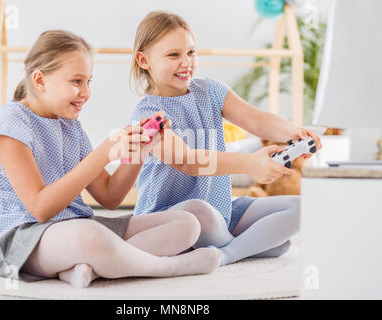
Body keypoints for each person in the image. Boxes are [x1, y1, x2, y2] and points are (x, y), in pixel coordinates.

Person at [0, 30, 220, 288]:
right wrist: (103, 153)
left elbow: (110, 197)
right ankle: (169, 267)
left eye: (89, 81)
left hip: (74, 228)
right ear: (40, 80)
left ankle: (91, 269)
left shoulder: (69, 126)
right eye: (76, 81)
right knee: (91, 235)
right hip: (18, 241)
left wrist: (140, 149)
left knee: (187, 223)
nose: (86, 93)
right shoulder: (7, 125)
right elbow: (40, 208)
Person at [129, 11, 323, 266]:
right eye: (173, 55)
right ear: (144, 60)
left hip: (222, 212)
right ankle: (248, 245)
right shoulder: (146, 116)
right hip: (172, 218)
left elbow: (256, 120)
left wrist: (294, 132)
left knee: (301, 207)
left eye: (191, 52)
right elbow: (188, 162)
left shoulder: (211, 91)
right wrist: (249, 164)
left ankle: (226, 253)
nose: (186, 62)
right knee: (198, 210)